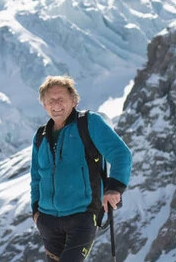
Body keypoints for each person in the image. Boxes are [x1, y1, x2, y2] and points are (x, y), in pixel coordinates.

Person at [30, 75, 132, 261]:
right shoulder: (40, 136)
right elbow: (36, 177)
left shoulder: (89, 123)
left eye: (61, 99)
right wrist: (36, 212)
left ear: (74, 101)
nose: (56, 104)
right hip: (48, 221)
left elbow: (121, 154)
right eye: (50, 100)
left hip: (82, 217)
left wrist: (114, 188)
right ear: (44, 105)